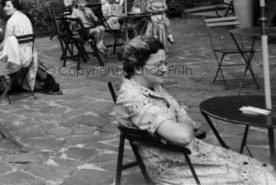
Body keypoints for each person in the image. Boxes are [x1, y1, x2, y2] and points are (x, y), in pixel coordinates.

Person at [114, 37, 276, 184]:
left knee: (266, 170)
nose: (164, 69)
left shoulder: (153, 85)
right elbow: (183, 136)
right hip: (174, 167)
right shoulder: (132, 98)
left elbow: (178, 110)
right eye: (158, 65)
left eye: (165, 63)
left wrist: (182, 120)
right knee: (263, 179)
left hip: (190, 154)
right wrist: (185, 123)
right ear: (137, 68)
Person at [0, 0, 38, 91]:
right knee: (1, 54)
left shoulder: (11, 21)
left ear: (15, 6)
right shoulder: (24, 17)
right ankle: (12, 84)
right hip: (30, 55)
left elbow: (5, 42)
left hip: (19, 58)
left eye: (8, 6)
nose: (5, 8)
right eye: (4, 6)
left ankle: (6, 87)